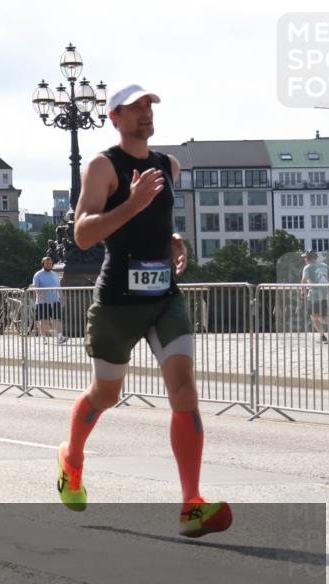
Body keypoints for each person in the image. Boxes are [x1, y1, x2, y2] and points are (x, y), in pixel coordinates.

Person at [57, 84, 231, 538]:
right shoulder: (102, 166)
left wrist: (171, 239)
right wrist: (131, 205)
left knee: (185, 391)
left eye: (149, 106)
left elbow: (158, 219)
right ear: (114, 117)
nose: (144, 114)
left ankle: (191, 504)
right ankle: (71, 459)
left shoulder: (166, 165)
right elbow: (82, 235)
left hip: (164, 298)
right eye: (134, 109)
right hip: (117, 302)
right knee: (105, 395)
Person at [300, 250, 329, 343]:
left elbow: (304, 280)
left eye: (305, 258)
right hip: (324, 295)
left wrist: (303, 291)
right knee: (323, 316)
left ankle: (326, 333)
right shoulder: (324, 265)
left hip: (314, 295)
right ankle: (327, 330)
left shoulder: (307, 267)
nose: (304, 259)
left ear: (308, 258)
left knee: (314, 317)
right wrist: (328, 287)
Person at [32, 256, 66, 344]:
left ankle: (60, 337)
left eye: (50, 263)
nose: (48, 265)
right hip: (42, 301)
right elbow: (35, 286)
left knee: (57, 319)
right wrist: (39, 293)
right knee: (43, 320)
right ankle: (43, 337)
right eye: (46, 263)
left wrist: (62, 297)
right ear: (43, 264)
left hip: (55, 300)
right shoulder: (38, 274)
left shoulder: (55, 274)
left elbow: (58, 287)